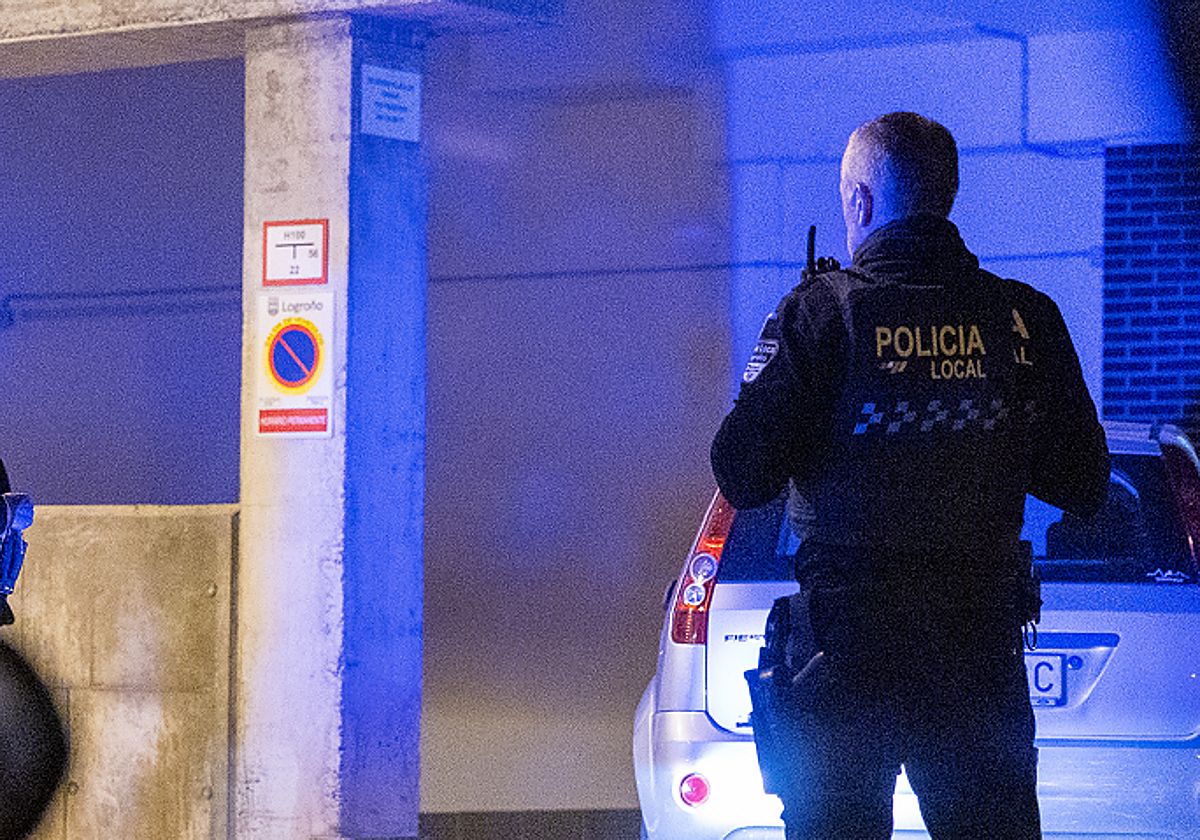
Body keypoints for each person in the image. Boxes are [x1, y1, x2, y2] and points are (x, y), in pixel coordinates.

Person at [712, 112, 1110, 840]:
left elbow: (741, 473)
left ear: (860, 202)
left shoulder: (823, 314)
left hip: (843, 654)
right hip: (977, 650)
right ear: (947, 194)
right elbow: (1083, 482)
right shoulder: (1025, 318)